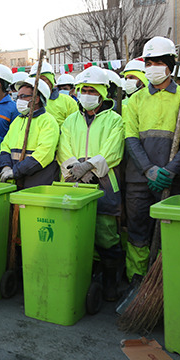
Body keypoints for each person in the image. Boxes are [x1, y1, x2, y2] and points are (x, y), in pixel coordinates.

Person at [123, 36, 180, 281]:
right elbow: (130, 138)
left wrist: (170, 170)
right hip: (138, 179)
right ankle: (137, 278)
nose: (152, 67)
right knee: (137, 229)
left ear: (170, 64)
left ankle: (166, 280)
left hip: (173, 180)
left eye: (158, 62)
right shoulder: (135, 99)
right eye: (149, 62)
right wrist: (148, 170)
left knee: (169, 229)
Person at [57, 66, 125, 301]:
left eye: (90, 90)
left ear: (101, 93)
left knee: (106, 234)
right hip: (73, 182)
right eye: (82, 89)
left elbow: (114, 150)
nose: (85, 94)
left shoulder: (114, 120)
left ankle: (110, 284)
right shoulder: (69, 120)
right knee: (73, 232)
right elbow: (63, 147)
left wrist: (91, 167)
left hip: (103, 183)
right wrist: (75, 168)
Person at [0, 77, 59, 187]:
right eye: (18, 96)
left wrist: (16, 171)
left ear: (36, 99)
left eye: (23, 97)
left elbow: (44, 154)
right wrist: (6, 166)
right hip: (17, 179)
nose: (18, 100)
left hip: (38, 181)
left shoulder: (48, 121)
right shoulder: (18, 120)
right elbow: (5, 145)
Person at [29, 61, 78, 127]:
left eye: (43, 79)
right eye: (36, 80)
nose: (40, 83)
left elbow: (75, 126)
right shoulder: (28, 102)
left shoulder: (68, 101)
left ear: (51, 80)